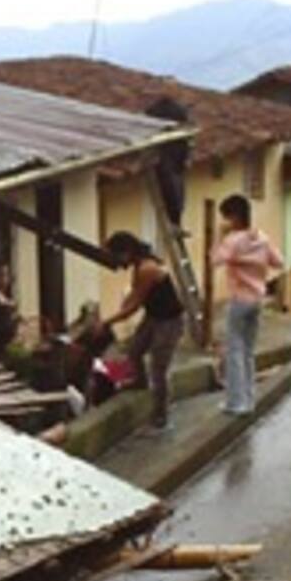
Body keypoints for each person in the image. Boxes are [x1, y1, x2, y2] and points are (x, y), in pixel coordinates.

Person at [96, 231, 185, 430]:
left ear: (127, 251)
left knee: (158, 368)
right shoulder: (138, 265)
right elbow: (133, 295)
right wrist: (119, 310)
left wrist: (107, 322)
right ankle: (140, 382)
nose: (117, 261)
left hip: (169, 322)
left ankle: (161, 414)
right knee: (134, 350)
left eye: (116, 255)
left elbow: (134, 306)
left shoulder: (147, 268)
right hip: (154, 317)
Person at [211, 194, 283, 416]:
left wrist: (220, 236)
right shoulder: (261, 237)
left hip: (240, 299)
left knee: (234, 350)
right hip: (258, 298)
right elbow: (279, 262)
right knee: (248, 351)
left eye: (226, 217)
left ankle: (236, 402)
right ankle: (250, 399)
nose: (224, 222)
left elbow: (215, 260)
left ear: (234, 217)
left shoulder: (233, 240)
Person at [144, 97, 190, 227]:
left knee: (172, 183)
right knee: (172, 185)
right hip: (171, 164)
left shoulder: (177, 143)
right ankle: (175, 220)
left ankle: (175, 220)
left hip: (171, 163)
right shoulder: (178, 143)